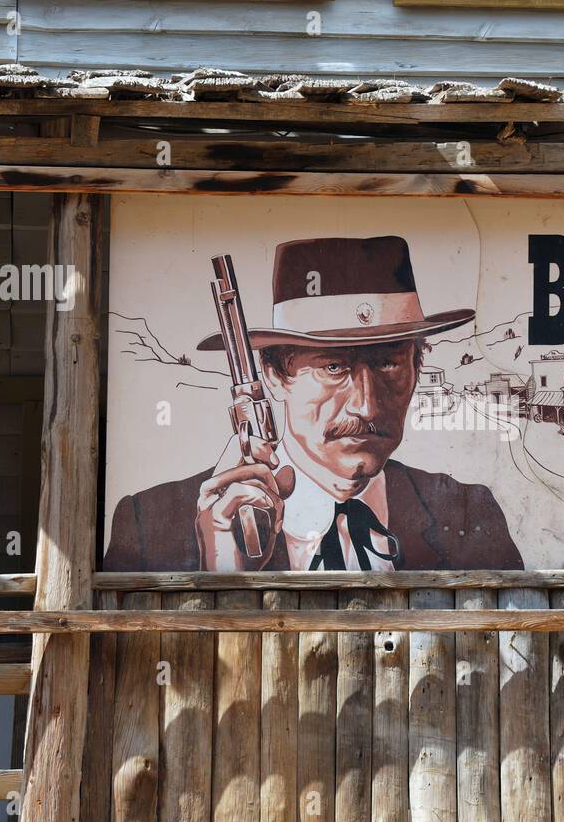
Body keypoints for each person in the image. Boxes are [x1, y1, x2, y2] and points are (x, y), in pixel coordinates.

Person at [103, 235, 524, 572]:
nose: (365, 406)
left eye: (389, 364)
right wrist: (222, 579)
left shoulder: (468, 513)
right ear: (274, 376)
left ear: (417, 368)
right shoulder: (150, 523)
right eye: (334, 368)